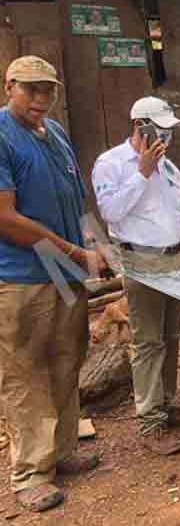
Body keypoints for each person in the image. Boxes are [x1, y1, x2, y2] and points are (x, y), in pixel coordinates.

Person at [0, 56, 107, 512]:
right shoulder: (2, 135)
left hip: (65, 274)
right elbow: (6, 219)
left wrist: (93, 245)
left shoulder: (56, 134)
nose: (41, 98)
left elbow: (73, 200)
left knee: (66, 361)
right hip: (21, 278)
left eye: (48, 89)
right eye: (31, 89)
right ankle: (30, 473)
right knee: (25, 373)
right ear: (9, 86)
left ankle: (62, 451)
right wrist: (77, 254)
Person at [92, 96, 180, 456]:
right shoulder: (111, 164)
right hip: (141, 263)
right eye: (160, 130)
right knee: (147, 343)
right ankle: (149, 422)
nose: (166, 137)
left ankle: (167, 404)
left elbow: (175, 213)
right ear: (139, 125)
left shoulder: (169, 168)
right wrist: (141, 172)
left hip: (174, 261)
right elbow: (111, 212)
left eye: (169, 131)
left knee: (171, 335)